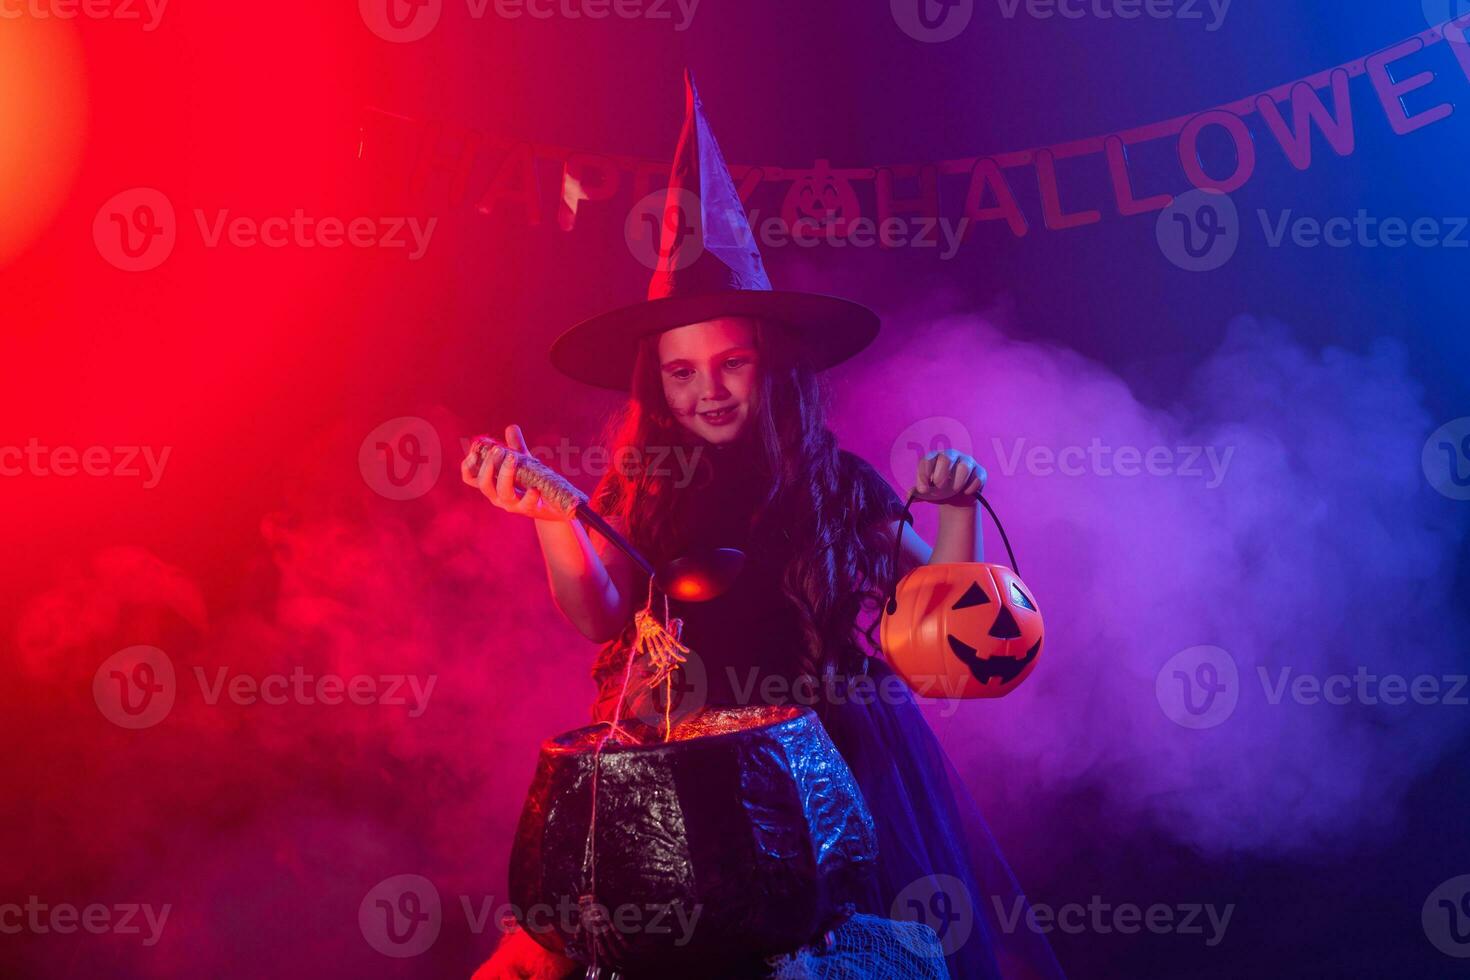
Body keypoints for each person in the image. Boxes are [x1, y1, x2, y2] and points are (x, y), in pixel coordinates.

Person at [466, 72, 1063, 980]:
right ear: (655, 386)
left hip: (832, 775)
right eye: (682, 373)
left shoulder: (837, 486)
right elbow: (599, 615)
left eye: (730, 362)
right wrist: (556, 516)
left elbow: (944, 641)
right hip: (683, 782)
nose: (707, 388)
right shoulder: (644, 487)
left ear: (771, 367)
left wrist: (954, 519)